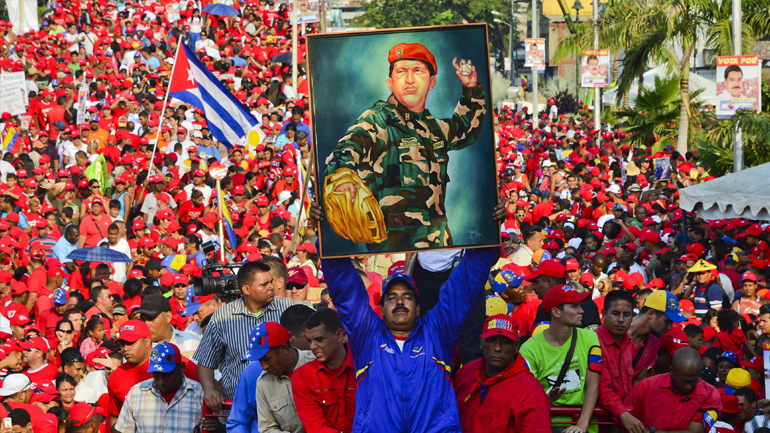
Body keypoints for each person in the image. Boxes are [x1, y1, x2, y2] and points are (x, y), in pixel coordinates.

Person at [322, 43, 486, 251]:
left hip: (437, 248)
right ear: (390, 83)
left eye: (418, 71)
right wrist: (343, 177)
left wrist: (471, 89)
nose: (409, 80)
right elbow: (344, 152)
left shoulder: (432, 127)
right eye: (401, 72)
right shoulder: (377, 121)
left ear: (431, 82)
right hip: (393, 255)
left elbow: (465, 129)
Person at [194, 260, 294, 411]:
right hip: (237, 407)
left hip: (281, 405)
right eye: (264, 284)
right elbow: (205, 362)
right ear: (246, 289)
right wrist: (209, 389)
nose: (271, 287)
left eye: (271, 282)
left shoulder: (287, 308)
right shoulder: (223, 316)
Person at [520, 284, 601, 433]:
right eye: (574, 306)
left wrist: (582, 425)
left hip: (584, 426)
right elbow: (526, 396)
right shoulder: (529, 349)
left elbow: (593, 384)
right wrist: (545, 399)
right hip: (548, 425)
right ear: (556, 312)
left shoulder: (591, 338)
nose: (581, 310)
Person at [453, 314, 550, 433]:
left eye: (505, 342)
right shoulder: (465, 373)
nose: (497, 348)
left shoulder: (531, 391)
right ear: (481, 343)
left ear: (516, 346)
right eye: (492, 341)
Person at [291, 308, 356, 433]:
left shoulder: (364, 368)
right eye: (310, 341)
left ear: (339, 335)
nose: (312, 347)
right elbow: (315, 425)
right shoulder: (303, 376)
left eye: (319, 340)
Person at [115, 342, 204, 433]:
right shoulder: (137, 392)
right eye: (156, 375)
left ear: (181, 368)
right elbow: (124, 430)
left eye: (167, 375)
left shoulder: (200, 394)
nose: (161, 382)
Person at [627, 348, 722, 432]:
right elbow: (626, 421)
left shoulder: (710, 394)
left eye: (694, 380)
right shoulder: (646, 387)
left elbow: (694, 431)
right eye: (682, 381)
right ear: (671, 370)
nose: (688, 386)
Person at [248, 321, 314, 433]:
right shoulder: (263, 383)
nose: (264, 367)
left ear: (284, 350)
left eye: (267, 359)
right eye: (260, 361)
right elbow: (267, 428)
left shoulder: (315, 363)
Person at [595, 290, 646, 433]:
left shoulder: (630, 344)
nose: (621, 319)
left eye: (627, 315)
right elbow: (601, 389)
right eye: (615, 313)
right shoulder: (594, 343)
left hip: (622, 423)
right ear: (604, 313)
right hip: (601, 424)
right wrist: (623, 414)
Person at [628, 290, 687, 381]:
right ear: (651, 314)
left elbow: (638, 381)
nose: (670, 328)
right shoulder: (620, 332)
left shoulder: (654, 340)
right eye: (667, 321)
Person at [108, 320, 154, 430]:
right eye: (122, 344)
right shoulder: (116, 376)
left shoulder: (168, 367)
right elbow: (115, 418)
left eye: (131, 342)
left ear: (147, 341)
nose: (125, 349)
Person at [137, 294, 201, 358]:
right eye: (142, 319)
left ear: (168, 317)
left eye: (151, 318)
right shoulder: (137, 349)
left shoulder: (194, 342)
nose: (146, 324)